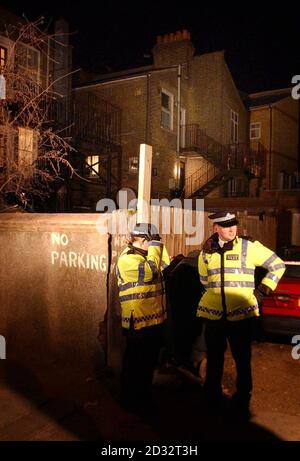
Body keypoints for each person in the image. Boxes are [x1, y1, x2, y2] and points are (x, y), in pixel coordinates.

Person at [197, 211, 286, 418]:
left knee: (242, 360)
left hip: (240, 317)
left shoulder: (248, 247)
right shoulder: (206, 252)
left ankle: (242, 400)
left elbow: (278, 265)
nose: (231, 229)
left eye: (234, 225)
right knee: (214, 358)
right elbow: (204, 280)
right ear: (215, 228)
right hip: (214, 317)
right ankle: (212, 398)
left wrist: (261, 291)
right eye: (226, 225)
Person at [116, 222, 168, 415]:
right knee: (134, 365)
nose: (157, 245)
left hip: (153, 320)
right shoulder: (127, 258)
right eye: (153, 242)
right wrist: (155, 247)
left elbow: (166, 265)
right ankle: (129, 401)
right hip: (136, 322)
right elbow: (151, 272)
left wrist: (157, 246)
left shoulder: (147, 256)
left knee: (147, 365)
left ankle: (143, 398)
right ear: (145, 241)